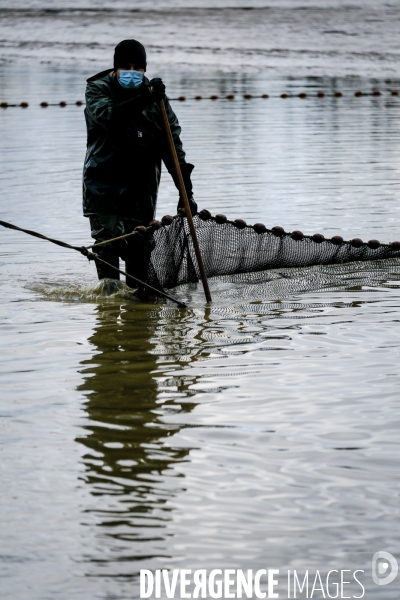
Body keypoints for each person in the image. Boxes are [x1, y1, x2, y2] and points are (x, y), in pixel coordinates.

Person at [82, 39, 197, 292]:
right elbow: (109, 118)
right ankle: (109, 321)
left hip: (140, 191)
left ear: (145, 69)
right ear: (115, 68)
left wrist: (185, 192)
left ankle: (137, 317)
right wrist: (145, 97)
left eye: (137, 67)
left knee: (139, 264)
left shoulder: (158, 100)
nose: (132, 72)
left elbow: (173, 148)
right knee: (108, 252)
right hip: (104, 188)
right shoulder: (97, 90)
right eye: (126, 66)